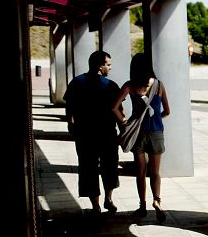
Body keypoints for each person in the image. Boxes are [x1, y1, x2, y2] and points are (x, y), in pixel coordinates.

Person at [112, 53, 171, 221]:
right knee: (155, 172)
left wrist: (125, 122)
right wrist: (156, 117)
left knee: (140, 171)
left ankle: (142, 206)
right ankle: (157, 201)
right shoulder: (159, 85)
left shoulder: (130, 86)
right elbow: (167, 111)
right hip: (157, 133)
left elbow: (114, 108)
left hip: (138, 134)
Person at [64, 50, 121, 215]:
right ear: (99, 66)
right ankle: (108, 199)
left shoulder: (76, 82)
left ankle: (95, 206)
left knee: (88, 168)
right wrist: (124, 129)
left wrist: (71, 124)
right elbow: (119, 110)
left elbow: (70, 107)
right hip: (107, 133)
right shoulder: (110, 85)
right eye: (108, 64)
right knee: (109, 166)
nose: (110, 68)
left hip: (84, 134)